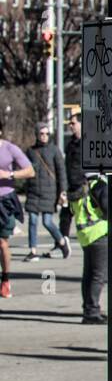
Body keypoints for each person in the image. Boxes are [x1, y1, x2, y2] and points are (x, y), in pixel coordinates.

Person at [24, 125, 70, 262]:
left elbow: (61, 172)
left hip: (49, 192)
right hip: (33, 191)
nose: (44, 136)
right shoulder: (30, 151)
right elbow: (24, 169)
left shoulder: (54, 150)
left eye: (47, 133)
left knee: (47, 222)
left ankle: (62, 242)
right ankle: (33, 251)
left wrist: (63, 191)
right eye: (41, 133)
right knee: (32, 220)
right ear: (36, 134)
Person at [0, 128, 35, 300]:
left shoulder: (9, 149)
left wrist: (9, 174)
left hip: (4, 200)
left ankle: (5, 279)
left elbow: (30, 171)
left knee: (2, 242)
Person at [72, 167, 110, 324]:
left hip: (84, 235)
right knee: (99, 275)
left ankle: (88, 308)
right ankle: (92, 311)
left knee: (89, 274)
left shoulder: (78, 185)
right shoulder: (99, 184)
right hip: (99, 231)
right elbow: (109, 209)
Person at [60, 114, 84, 242]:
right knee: (65, 214)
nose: (70, 126)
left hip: (83, 185)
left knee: (82, 216)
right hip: (71, 184)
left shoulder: (88, 142)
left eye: (73, 123)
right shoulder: (70, 143)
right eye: (70, 123)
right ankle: (62, 242)